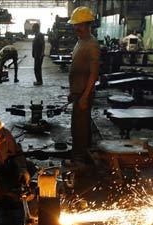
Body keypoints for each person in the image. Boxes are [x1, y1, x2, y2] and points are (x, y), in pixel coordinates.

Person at [67, 6, 100, 166]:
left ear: (87, 24)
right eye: (75, 24)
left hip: (83, 93)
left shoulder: (92, 44)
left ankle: (79, 161)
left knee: (80, 129)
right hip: (77, 92)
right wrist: (72, 91)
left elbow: (94, 74)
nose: (75, 27)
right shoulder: (81, 42)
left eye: (78, 24)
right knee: (78, 127)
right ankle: (83, 156)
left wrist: (85, 96)